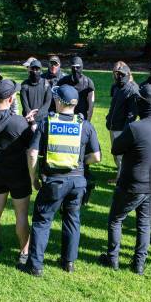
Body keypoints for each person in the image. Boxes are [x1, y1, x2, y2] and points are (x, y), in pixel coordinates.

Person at [19, 85, 101, 276]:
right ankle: (68, 262)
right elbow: (96, 156)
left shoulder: (47, 123)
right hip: (78, 182)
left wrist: (34, 178)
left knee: (42, 221)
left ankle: (35, 266)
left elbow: (32, 153)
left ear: (58, 101)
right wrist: (81, 163)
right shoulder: (85, 125)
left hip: (54, 182)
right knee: (73, 221)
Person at [98, 84, 151, 275]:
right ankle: (138, 265)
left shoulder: (136, 127)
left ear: (143, 104)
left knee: (116, 219)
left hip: (132, 183)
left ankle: (112, 259)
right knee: (144, 222)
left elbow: (116, 149)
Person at [0, 79, 37, 263]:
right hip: (18, 173)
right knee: (21, 214)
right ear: (11, 99)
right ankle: (24, 252)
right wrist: (31, 125)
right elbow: (31, 145)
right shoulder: (18, 122)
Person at [57, 57, 97, 203]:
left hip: (82, 122)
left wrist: (87, 122)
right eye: (73, 67)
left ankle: (85, 188)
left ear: (82, 67)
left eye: (78, 67)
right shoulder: (63, 81)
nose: (75, 70)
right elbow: (57, 97)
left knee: (83, 155)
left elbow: (91, 104)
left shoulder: (88, 82)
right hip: (66, 121)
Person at [106, 61, 138, 183]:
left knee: (120, 155)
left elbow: (132, 114)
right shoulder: (116, 87)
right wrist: (109, 117)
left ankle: (120, 179)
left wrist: (125, 130)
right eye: (115, 72)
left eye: (119, 73)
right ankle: (120, 174)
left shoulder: (132, 89)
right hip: (113, 125)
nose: (116, 75)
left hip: (121, 128)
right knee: (115, 153)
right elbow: (114, 105)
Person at [20, 58, 52, 123]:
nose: (35, 71)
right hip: (28, 119)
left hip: (42, 120)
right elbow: (25, 105)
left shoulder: (46, 84)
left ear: (40, 70)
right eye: (33, 69)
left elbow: (47, 103)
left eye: (37, 69)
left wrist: (37, 115)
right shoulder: (24, 85)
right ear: (30, 69)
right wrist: (31, 118)